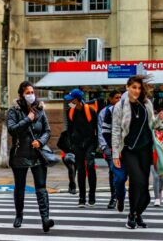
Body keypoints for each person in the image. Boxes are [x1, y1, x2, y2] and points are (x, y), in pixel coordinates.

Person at [112, 75, 160, 229]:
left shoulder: (146, 104)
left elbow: (153, 124)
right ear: (127, 87)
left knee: (144, 189)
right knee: (137, 181)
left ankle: (137, 214)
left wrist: (160, 120)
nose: (137, 91)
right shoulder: (120, 106)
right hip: (129, 150)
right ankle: (132, 214)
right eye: (134, 87)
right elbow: (115, 131)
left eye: (139, 88)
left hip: (146, 149)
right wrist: (115, 154)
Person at [6, 81, 55, 232]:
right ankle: (19, 215)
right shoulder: (13, 111)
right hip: (20, 154)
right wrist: (28, 119)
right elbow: (12, 130)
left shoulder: (40, 109)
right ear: (21, 94)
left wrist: (40, 141)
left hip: (37, 154)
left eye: (32, 92)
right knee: (20, 187)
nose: (31, 95)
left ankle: (45, 219)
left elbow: (47, 130)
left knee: (41, 186)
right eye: (27, 92)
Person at [65, 88, 98, 207]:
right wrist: (71, 145)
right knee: (80, 170)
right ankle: (82, 198)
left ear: (77, 100)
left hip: (90, 143)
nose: (69, 102)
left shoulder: (90, 111)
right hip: (77, 145)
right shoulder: (70, 111)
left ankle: (92, 196)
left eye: (71, 100)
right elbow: (69, 130)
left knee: (90, 166)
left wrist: (96, 146)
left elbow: (97, 129)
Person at [98, 89, 122, 209]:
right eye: (116, 98)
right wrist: (104, 147)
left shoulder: (125, 110)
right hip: (109, 147)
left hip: (123, 147)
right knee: (113, 171)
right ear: (110, 99)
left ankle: (120, 195)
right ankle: (114, 197)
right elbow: (101, 131)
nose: (118, 100)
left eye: (120, 97)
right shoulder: (104, 113)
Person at [151, 109, 163, 207]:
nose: (161, 115)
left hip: (162, 155)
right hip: (152, 154)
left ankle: (160, 192)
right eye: (159, 114)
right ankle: (157, 198)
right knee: (156, 176)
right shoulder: (150, 127)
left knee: (162, 178)